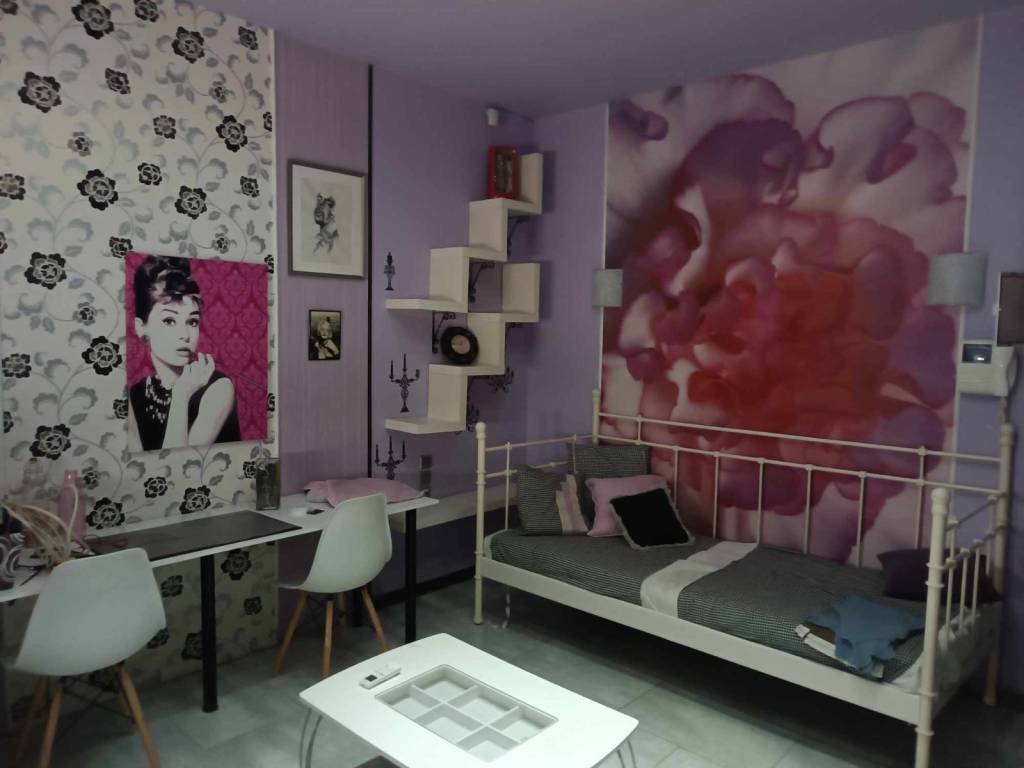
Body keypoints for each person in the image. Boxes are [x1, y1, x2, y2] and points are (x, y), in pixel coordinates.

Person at [128, 256, 241, 452]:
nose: (185, 335)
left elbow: (177, 464)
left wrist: (181, 394)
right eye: (169, 321)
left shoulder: (219, 388)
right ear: (141, 327)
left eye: (192, 322)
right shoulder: (135, 394)